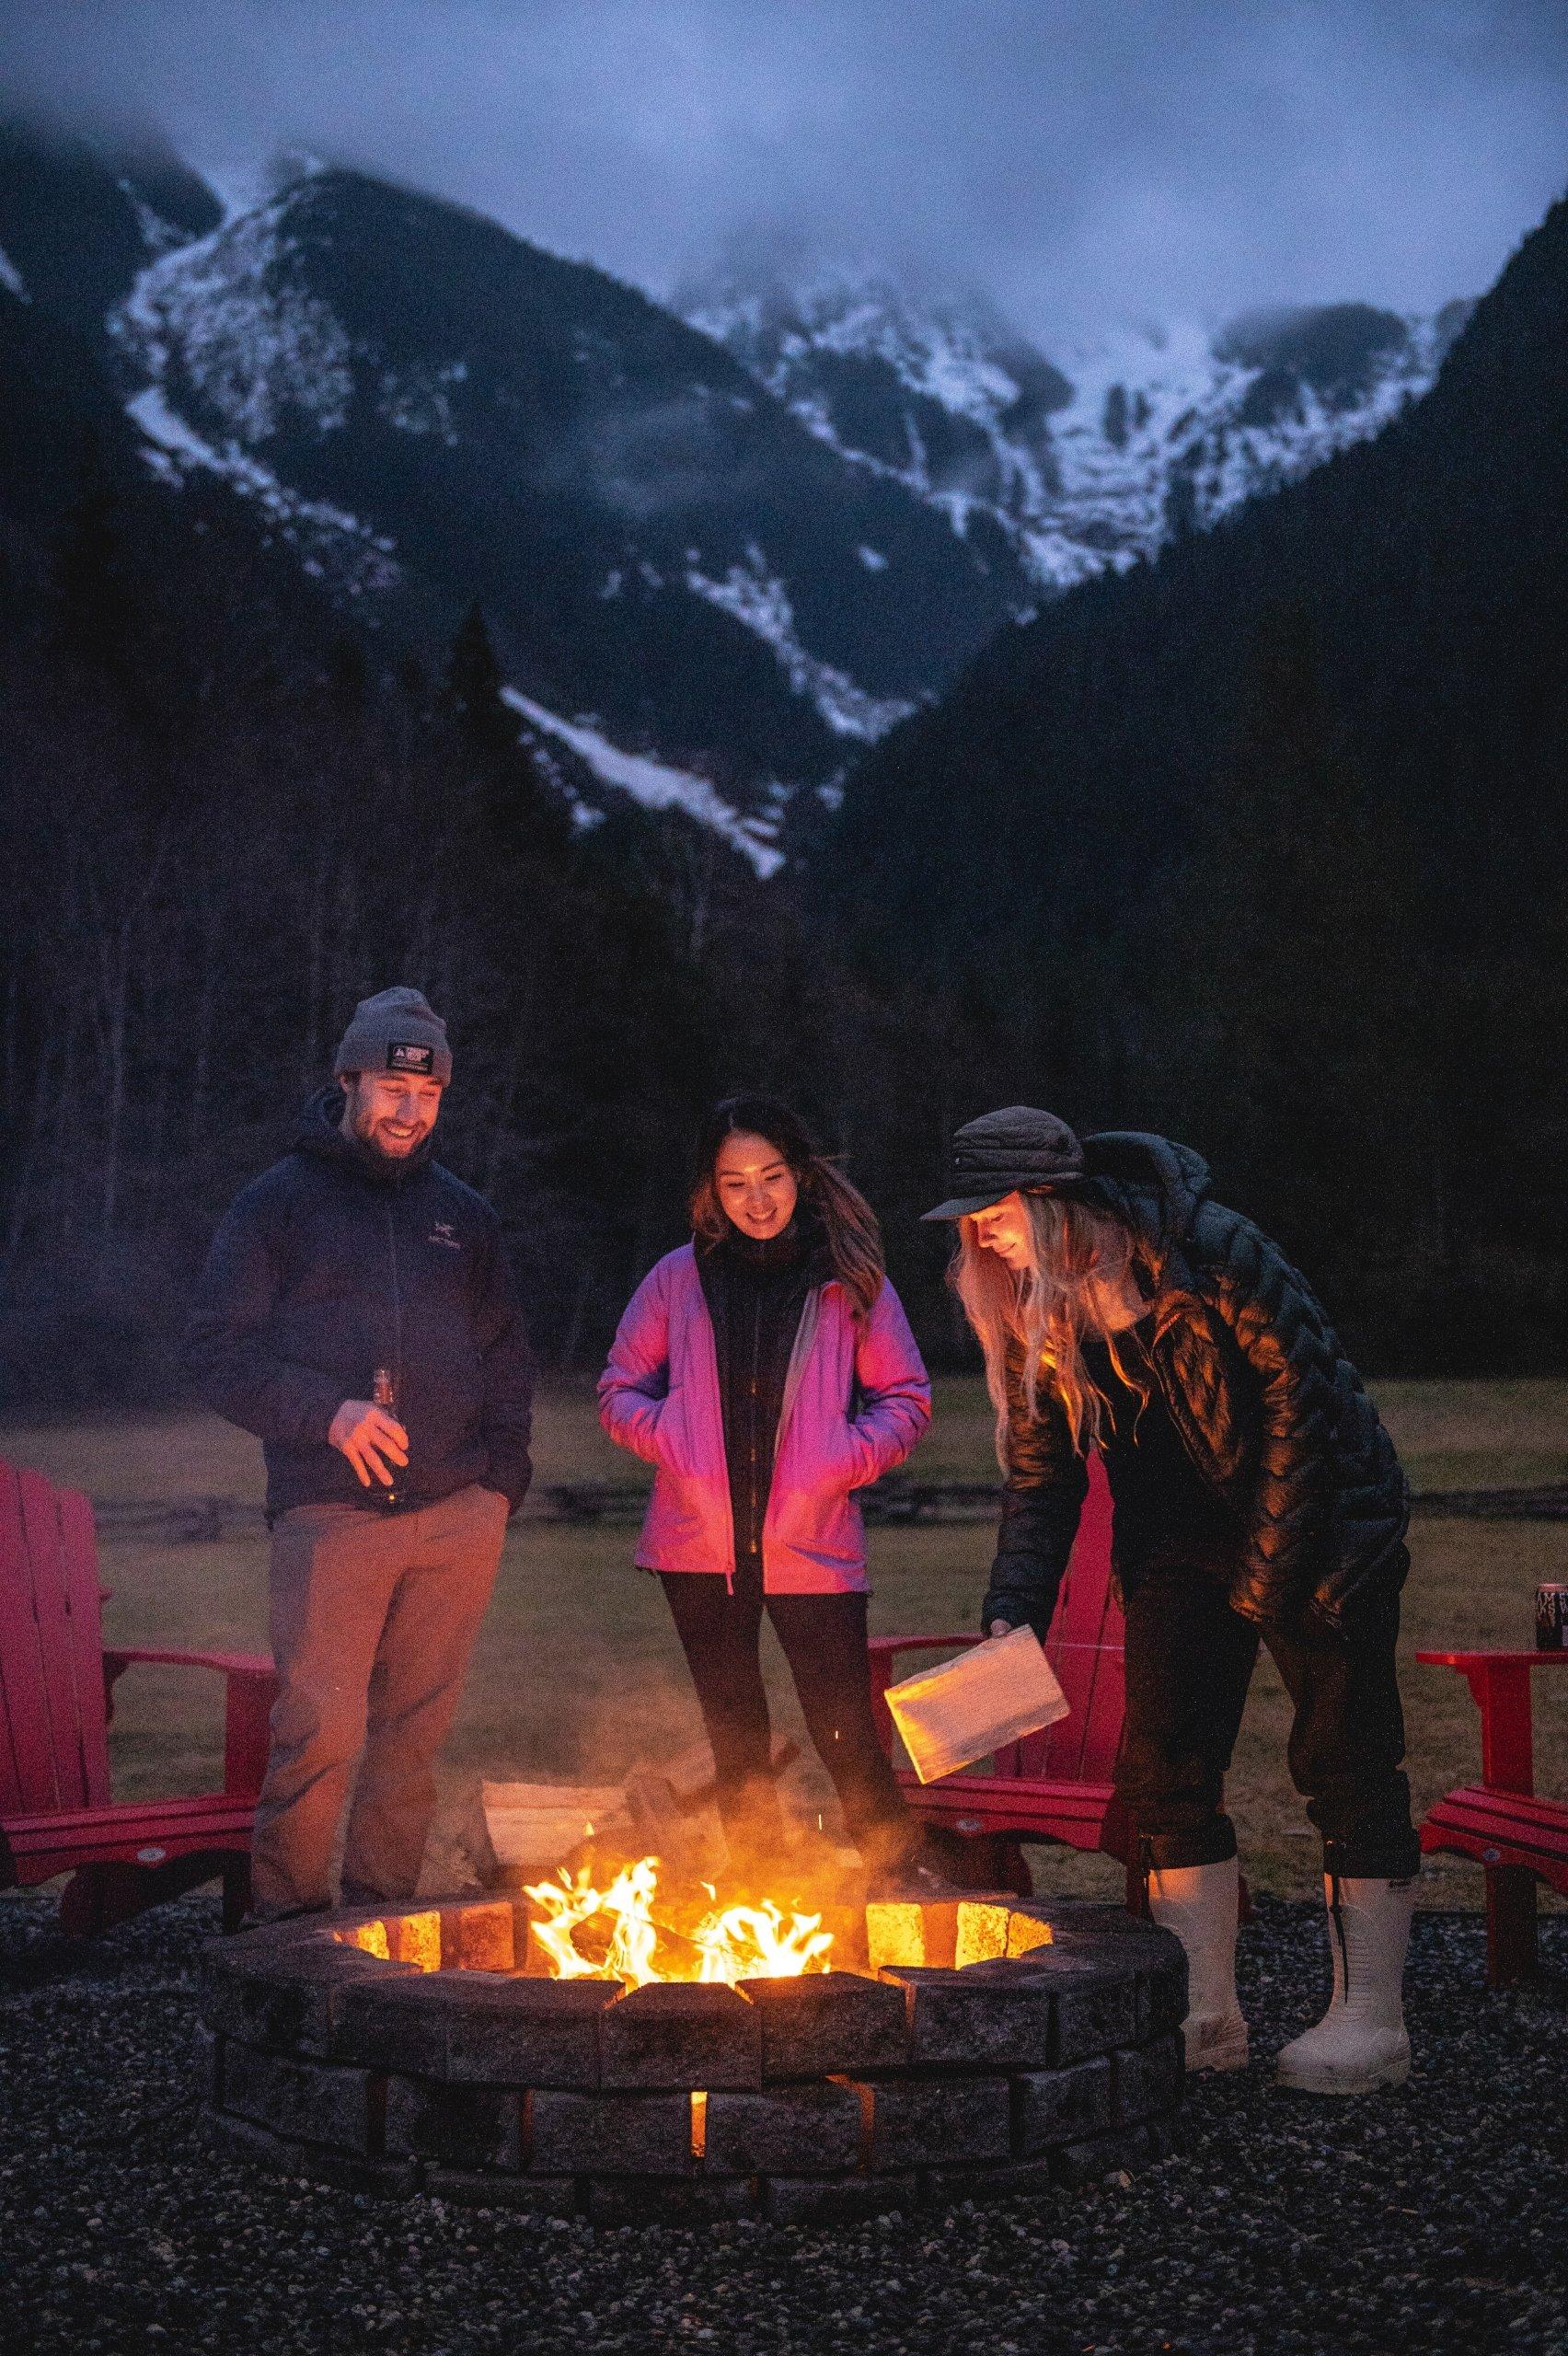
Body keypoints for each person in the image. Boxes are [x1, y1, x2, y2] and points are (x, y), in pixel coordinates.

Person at [925, 1105, 1420, 2095]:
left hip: (1320, 1525)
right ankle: (1205, 2017)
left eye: (998, 1212)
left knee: (1342, 1755)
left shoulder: (1211, 1249)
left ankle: (1372, 2021)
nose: (985, 1235)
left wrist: (1269, 1581)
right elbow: (1042, 1474)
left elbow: (1301, 1407)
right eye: (972, 1221)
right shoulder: (1033, 1303)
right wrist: (1011, 1607)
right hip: (1175, 1545)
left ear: (1057, 1200)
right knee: (1163, 1771)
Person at [187, 986, 532, 1921]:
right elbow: (215, 1350)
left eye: (427, 1095)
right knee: (320, 1733)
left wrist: (500, 1484)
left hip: (457, 1514)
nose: (410, 1111)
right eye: (391, 1087)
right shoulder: (277, 1205)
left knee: (413, 1739)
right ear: (349, 1079)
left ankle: (381, 1921)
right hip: (329, 1516)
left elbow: (506, 1354)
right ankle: (289, 1933)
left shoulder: (462, 1215)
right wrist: (325, 1414)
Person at [599, 1095, 934, 1887]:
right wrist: (671, 1434)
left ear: (802, 1176)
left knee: (843, 1724)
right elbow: (618, 1387)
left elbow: (907, 1398)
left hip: (810, 1542)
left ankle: (897, 1874)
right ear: (710, 1190)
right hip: (698, 1546)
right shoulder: (677, 1279)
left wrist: (839, 1459)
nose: (756, 1199)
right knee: (733, 1729)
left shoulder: (850, 1282)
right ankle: (759, 1880)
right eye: (734, 1182)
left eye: (772, 1177)